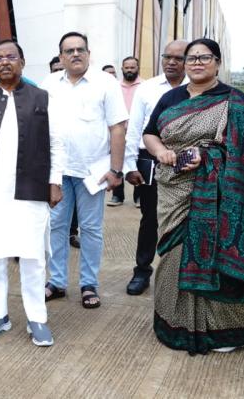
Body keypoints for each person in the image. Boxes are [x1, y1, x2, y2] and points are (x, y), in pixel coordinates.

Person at [143, 38, 244, 354]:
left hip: (221, 195)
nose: (197, 63)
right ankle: (176, 324)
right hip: (175, 189)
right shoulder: (170, 98)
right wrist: (161, 152)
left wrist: (208, 156)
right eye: (191, 58)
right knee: (175, 255)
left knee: (216, 255)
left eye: (204, 57)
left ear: (217, 63)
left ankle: (224, 331)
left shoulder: (236, 102)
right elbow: (149, 134)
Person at [0, 39, 64, 346]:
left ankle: (37, 319)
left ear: (22, 61)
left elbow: (57, 144)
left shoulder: (42, 97)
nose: (4, 62)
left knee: (33, 258)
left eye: (11, 57)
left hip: (31, 191)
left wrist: (55, 181)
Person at [42, 32, 128, 309]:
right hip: (57, 170)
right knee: (56, 226)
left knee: (90, 229)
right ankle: (56, 281)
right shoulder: (49, 84)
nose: (75, 54)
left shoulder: (106, 83)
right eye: (69, 51)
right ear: (61, 57)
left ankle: (89, 284)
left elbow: (118, 127)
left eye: (80, 49)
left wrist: (116, 170)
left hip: (93, 172)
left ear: (89, 54)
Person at [123, 42, 187, 295]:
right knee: (150, 218)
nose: (171, 62)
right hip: (149, 159)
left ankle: (180, 274)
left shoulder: (196, 88)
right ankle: (142, 270)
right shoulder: (147, 89)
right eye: (167, 57)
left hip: (186, 161)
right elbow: (134, 129)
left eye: (178, 58)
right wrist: (130, 166)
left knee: (184, 218)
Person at [48, 55, 80, 248]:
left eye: (62, 68)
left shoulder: (83, 89)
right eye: (56, 69)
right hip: (55, 164)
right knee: (56, 216)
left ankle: (72, 233)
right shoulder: (47, 87)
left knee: (79, 214)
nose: (59, 72)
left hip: (81, 164)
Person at [109, 56, 143, 207]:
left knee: (138, 162)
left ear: (138, 68)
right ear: (122, 69)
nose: (129, 70)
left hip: (139, 130)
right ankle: (117, 196)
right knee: (117, 161)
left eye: (132, 67)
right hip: (118, 130)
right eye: (127, 67)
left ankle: (139, 196)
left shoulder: (145, 86)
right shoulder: (114, 87)